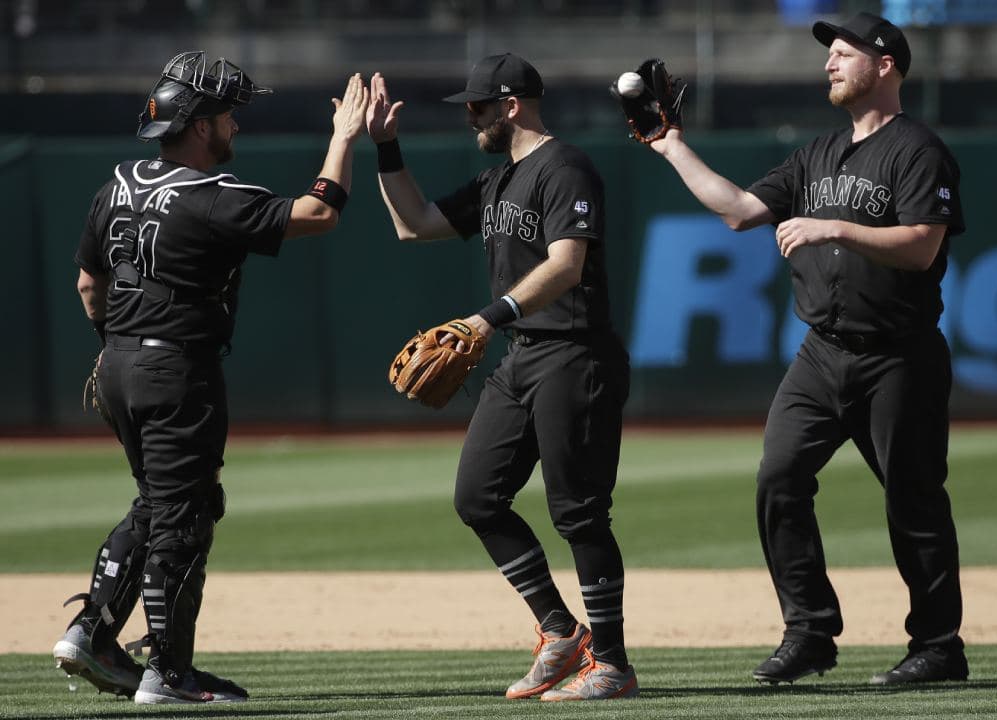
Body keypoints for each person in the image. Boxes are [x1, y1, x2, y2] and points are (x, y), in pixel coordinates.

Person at [643, 13, 969, 685]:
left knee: (914, 501)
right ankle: (811, 631)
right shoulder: (815, 155)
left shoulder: (918, 150)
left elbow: (922, 245)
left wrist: (835, 227)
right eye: (830, 54)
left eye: (845, 53)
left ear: (886, 65)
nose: (830, 63)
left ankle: (938, 646)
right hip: (822, 354)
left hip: (898, 355)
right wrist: (670, 145)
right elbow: (736, 210)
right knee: (779, 478)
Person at [54, 51, 367, 704]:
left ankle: (92, 632)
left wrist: (115, 347)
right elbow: (319, 213)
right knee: (183, 520)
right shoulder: (213, 198)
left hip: (116, 365)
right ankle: (167, 675)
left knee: (160, 505)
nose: (236, 128)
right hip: (174, 372)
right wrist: (342, 140)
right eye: (228, 116)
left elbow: (89, 283)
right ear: (199, 125)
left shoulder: (116, 184)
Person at [366, 54, 637, 701]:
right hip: (523, 358)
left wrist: (489, 317)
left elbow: (568, 265)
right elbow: (415, 223)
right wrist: (384, 147)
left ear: (511, 105)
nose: (471, 118)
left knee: (579, 514)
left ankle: (613, 666)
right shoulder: (496, 182)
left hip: (576, 354)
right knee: (477, 498)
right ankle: (559, 631)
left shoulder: (564, 167)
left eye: (478, 107)